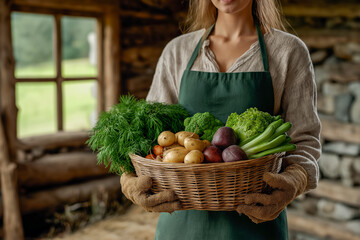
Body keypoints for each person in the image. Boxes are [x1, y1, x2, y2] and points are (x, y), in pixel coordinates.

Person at [120, 0, 321, 239]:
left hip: (256, 224)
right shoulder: (178, 51)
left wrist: (294, 180)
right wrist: (129, 180)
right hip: (182, 225)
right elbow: (146, 136)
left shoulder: (288, 50)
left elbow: (305, 139)